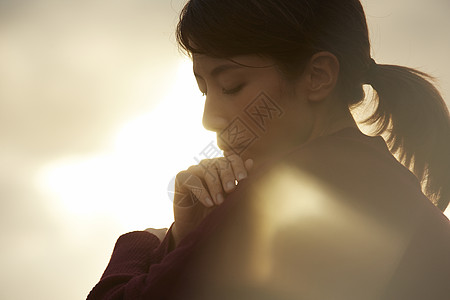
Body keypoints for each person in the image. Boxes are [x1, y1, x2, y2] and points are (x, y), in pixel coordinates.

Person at [87, 0, 450, 299]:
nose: (210, 118)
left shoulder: (273, 202)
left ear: (318, 76)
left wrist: (146, 242)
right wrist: (187, 236)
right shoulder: (412, 206)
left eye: (231, 86)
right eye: (203, 90)